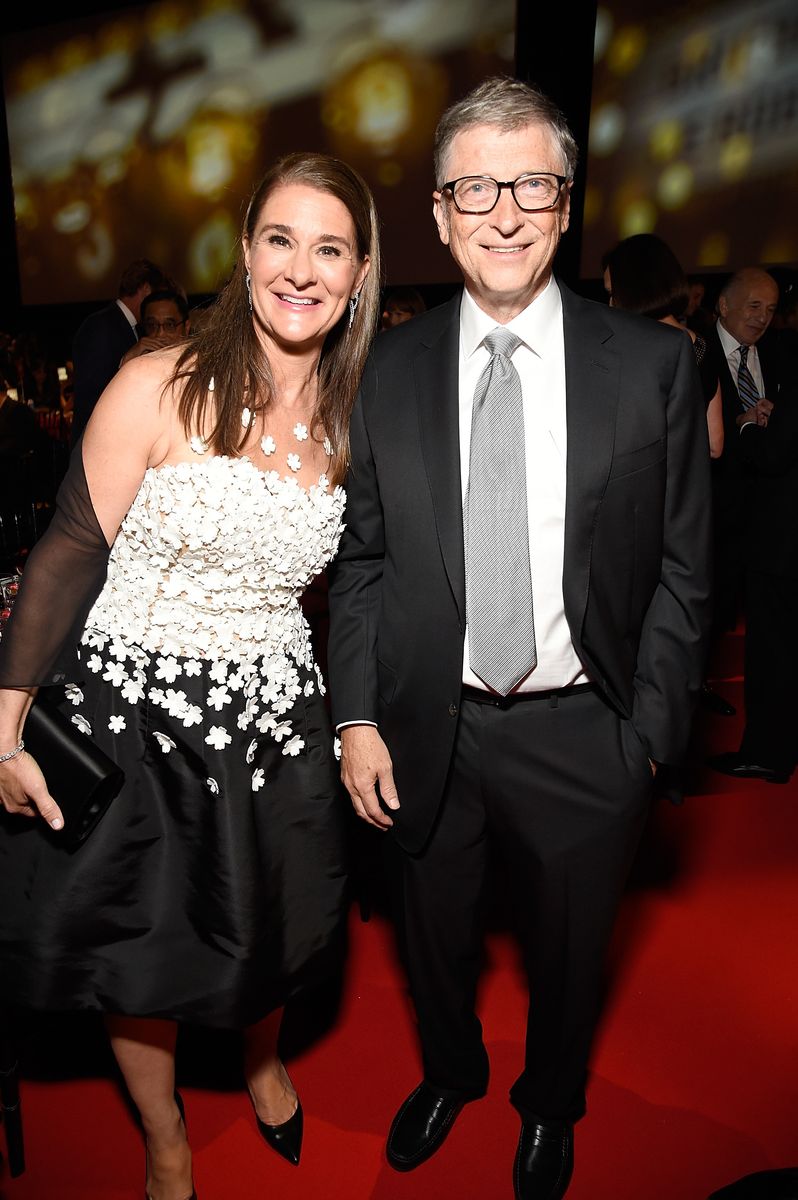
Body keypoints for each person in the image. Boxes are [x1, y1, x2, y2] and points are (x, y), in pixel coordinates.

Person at [327, 76, 711, 1200]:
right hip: (421, 728)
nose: (504, 211)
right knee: (433, 943)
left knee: (570, 954)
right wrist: (355, 715)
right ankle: (451, 1072)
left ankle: (550, 1103)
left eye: (531, 183)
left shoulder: (652, 367)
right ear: (440, 215)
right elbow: (361, 563)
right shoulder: (384, 373)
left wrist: (650, 731)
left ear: (565, 203)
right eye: (475, 188)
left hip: (587, 732)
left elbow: (690, 566)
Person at [0, 151, 378, 1200]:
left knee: (273, 926)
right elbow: (71, 546)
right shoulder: (157, 379)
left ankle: (261, 1063)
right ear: (246, 250)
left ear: (358, 274)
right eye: (280, 239)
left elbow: (369, 582)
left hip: (276, 725)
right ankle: (165, 1137)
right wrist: (2, 727)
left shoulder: (361, 420)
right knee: (141, 951)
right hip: (133, 726)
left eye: (329, 248)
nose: (301, 268)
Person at [601, 232, 734, 717]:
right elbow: (716, 443)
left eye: (613, 289)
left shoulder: (630, 347)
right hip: (689, 517)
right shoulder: (698, 345)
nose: (608, 299)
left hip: (635, 518)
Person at [71, 258, 167, 442]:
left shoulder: (126, 326)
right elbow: (93, 392)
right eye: (156, 296)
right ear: (146, 290)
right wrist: (126, 361)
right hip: (97, 439)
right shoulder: (101, 325)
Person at [119, 288, 192, 366]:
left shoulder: (199, 364)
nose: (160, 334)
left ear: (186, 327)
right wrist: (128, 358)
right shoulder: (141, 363)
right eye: (152, 325)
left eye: (169, 325)